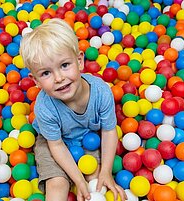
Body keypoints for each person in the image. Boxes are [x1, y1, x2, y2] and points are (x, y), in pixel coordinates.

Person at [19, 18, 126, 201]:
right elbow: (56, 145)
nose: (59, 78)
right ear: (35, 81)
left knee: (97, 181)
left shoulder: (100, 92)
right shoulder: (44, 107)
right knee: (57, 184)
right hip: (53, 142)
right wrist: (77, 180)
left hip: (87, 138)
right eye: (46, 73)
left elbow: (108, 131)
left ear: (79, 61)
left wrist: (106, 172)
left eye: (64, 65)